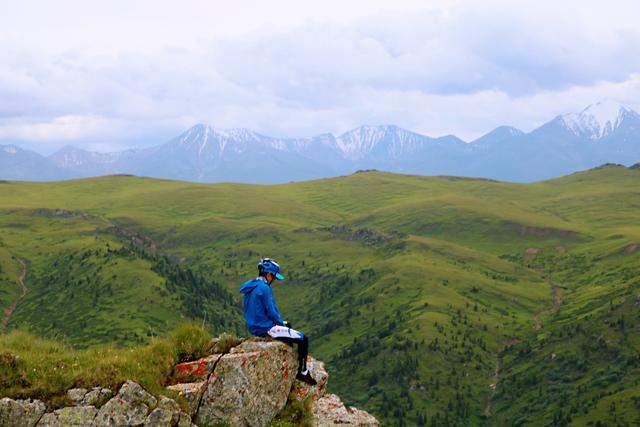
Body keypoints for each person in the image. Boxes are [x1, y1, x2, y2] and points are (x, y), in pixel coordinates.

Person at [239, 257, 317, 385]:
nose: (274, 280)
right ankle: (302, 372)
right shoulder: (265, 288)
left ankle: (289, 359)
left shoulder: (251, 286)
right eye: (274, 277)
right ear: (269, 275)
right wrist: (281, 323)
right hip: (266, 328)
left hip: (255, 327)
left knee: (287, 328)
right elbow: (272, 312)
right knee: (303, 339)